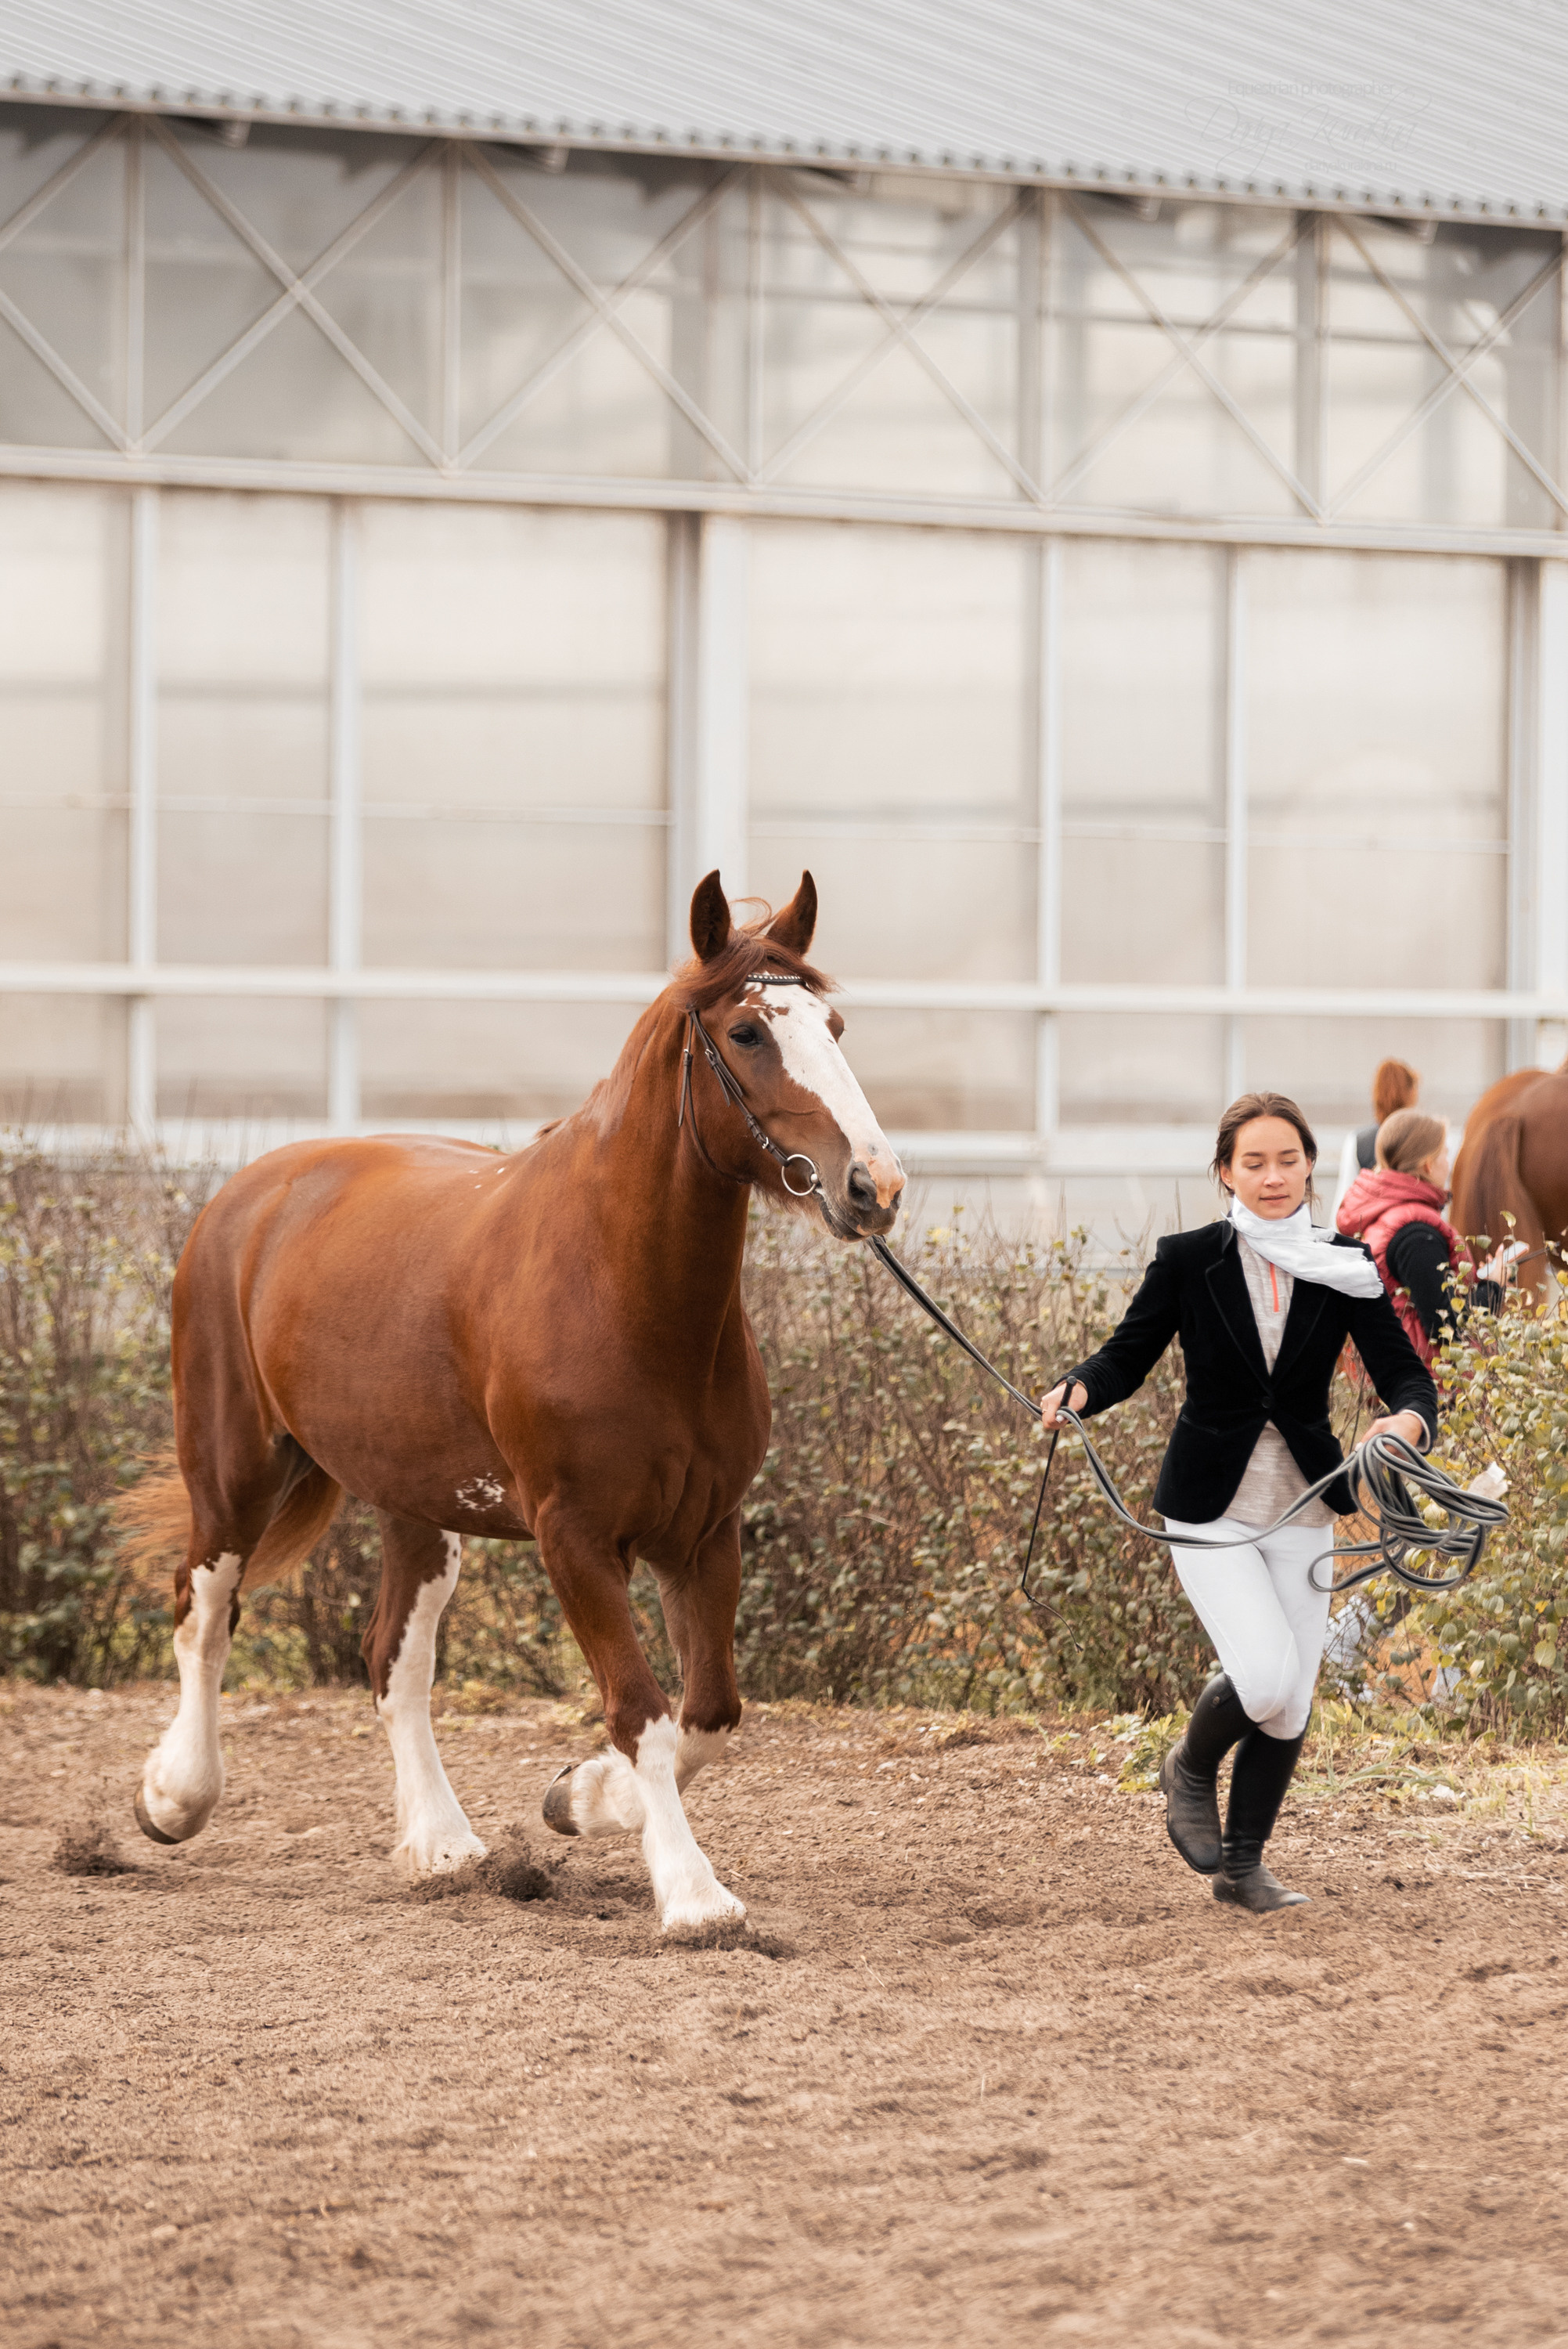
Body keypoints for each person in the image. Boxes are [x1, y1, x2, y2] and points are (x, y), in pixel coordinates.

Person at [1040, 1092, 1436, 1914]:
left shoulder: (1346, 1263)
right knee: (1261, 1678)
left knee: (1290, 1702)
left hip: (1306, 1504)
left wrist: (1406, 1420)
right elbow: (1125, 1356)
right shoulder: (1189, 1259)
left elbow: (1405, 1376)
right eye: (1252, 1162)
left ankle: (1242, 1868)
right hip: (1207, 1505)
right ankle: (1187, 1767)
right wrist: (1078, 1389)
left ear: (1309, 1166)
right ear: (1224, 1172)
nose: (1272, 1176)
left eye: (1287, 1160)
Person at [1336, 1108, 1505, 1364]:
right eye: (1445, 1153)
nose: (1449, 1163)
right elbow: (1445, 1324)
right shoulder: (1415, 1234)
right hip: (1425, 1378)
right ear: (1428, 1163)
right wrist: (1494, 1288)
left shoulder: (1385, 1214)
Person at [1332, 1057, 1419, 1222]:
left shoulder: (1358, 1141)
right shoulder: (1423, 1139)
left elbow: (1343, 1204)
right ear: (1411, 1093)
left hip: (1369, 1231)